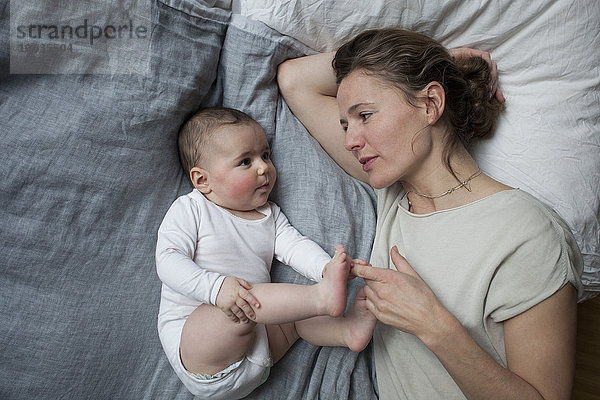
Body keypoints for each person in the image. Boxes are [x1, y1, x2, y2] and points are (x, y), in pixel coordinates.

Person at [277, 28, 582, 399]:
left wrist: (433, 324)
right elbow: (294, 80)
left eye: (365, 115)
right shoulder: (393, 191)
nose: (350, 141)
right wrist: (443, 63)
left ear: (430, 105)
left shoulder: (527, 233)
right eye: (345, 124)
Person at [155, 107, 376, 400]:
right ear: (202, 180)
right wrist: (215, 289)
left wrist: (327, 268)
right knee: (243, 303)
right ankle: (321, 298)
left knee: (294, 318)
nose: (263, 168)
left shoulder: (268, 215)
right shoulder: (191, 209)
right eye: (245, 161)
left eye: (266, 156)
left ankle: (347, 332)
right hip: (199, 344)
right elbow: (168, 261)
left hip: (263, 350)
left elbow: (294, 247)